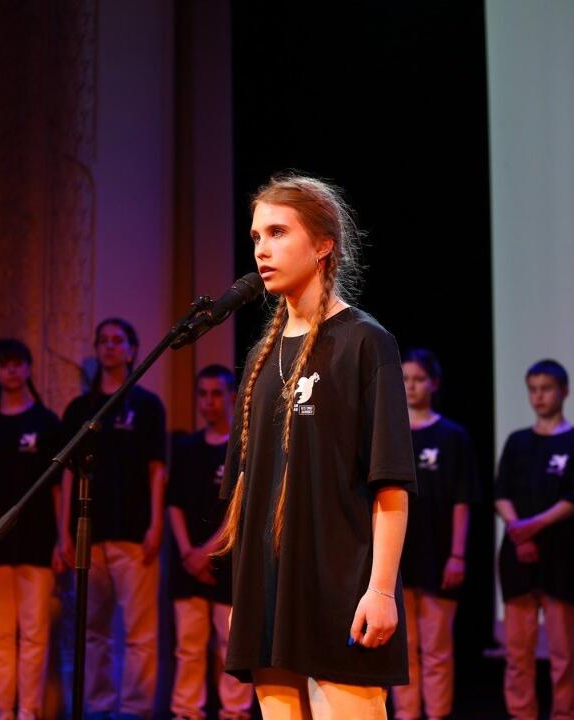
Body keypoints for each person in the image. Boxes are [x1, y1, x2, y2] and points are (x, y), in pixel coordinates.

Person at [215, 172, 417, 719]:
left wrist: (381, 591)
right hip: (270, 596)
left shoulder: (365, 342)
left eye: (278, 233)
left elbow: (390, 480)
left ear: (324, 244)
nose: (261, 250)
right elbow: (247, 490)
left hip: (341, 591)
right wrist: (245, 596)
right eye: (256, 236)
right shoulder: (260, 359)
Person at [59, 318, 167, 720]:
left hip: (134, 532)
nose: (109, 347)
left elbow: (157, 469)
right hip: (88, 535)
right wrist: (63, 532)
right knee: (92, 631)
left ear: (132, 349)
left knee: (139, 632)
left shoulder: (147, 405)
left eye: (117, 340)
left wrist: (156, 523)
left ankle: (135, 709)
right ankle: (98, 705)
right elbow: (67, 477)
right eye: (102, 341)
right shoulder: (80, 409)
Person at [0, 339, 62, 720]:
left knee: (34, 632)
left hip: (37, 541)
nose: (12, 370)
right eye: (4, 364)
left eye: (19, 363)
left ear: (29, 368)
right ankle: (4, 710)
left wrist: (62, 538)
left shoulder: (46, 422)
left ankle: (27, 710)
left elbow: (58, 488)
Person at [495, 359, 574, 720]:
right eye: (533, 390)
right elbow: (501, 492)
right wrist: (518, 530)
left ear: (564, 391)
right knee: (518, 654)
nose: (539, 396)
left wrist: (531, 526)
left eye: (546, 389)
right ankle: (522, 713)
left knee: (562, 653)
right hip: (517, 558)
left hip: (560, 559)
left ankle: (565, 714)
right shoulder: (517, 441)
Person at [392, 348, 476, 720]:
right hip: (398, 556)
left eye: (419, 379)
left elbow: (463, 499)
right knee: (403, 647)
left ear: (434, 384)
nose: (411, 386)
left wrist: (457, 554)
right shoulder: (388, 433)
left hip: (439, 555)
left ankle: (438, 714)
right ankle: (407, 713)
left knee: (437, 647)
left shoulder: (453, 437)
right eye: (405, 379)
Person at [167, 365, 252, 720]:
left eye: (216, 394)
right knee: (188, 645)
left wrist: (207, 552)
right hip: (189, 564)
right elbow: (173, 502)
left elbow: (239, 507)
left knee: (230, 643)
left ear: (232, 396)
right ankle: (187, 709)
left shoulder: (242, 448)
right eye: (202, 394)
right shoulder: (187, 447)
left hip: (227, 561)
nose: (208, 402)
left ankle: (234, 710)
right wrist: (189, 552)